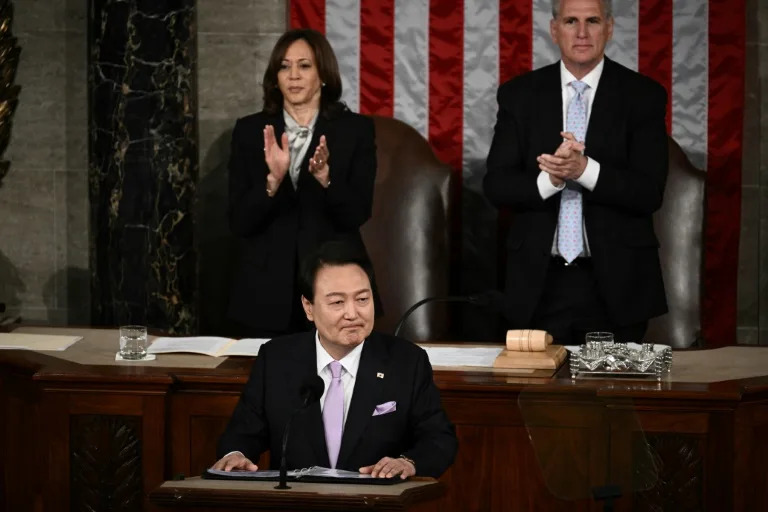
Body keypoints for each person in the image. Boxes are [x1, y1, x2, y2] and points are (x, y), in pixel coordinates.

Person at [484, 0, 668, 345]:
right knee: (534, 398)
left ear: (609, 28)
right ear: (555, 30)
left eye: (592, 21)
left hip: (616, 286)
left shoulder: (643, 96)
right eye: (571, 21)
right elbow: (497, 186)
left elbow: (648, 192)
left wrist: (584, 170)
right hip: (538, 285)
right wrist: (551, 179)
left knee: (612, 398)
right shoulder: (519, 95)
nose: (582, 33)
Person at [213, 240, 458, 479]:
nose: (352, 314)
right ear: (308, 307)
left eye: (362, 299)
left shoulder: (406, 361)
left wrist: (408, 462)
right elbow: (242, 433)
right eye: (337, 302)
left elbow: (439, 438)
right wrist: (236, 454)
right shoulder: (277, 359)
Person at [227, 29, 376, 337]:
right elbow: (239, 222)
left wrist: (327, 179)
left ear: (323, 74)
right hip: (265, 293)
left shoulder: (355, 131)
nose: (293, 75)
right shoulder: (249, 130)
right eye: (284, 66)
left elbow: (357, 214)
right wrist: (273, 181)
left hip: (333, 287)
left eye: (304, 65)